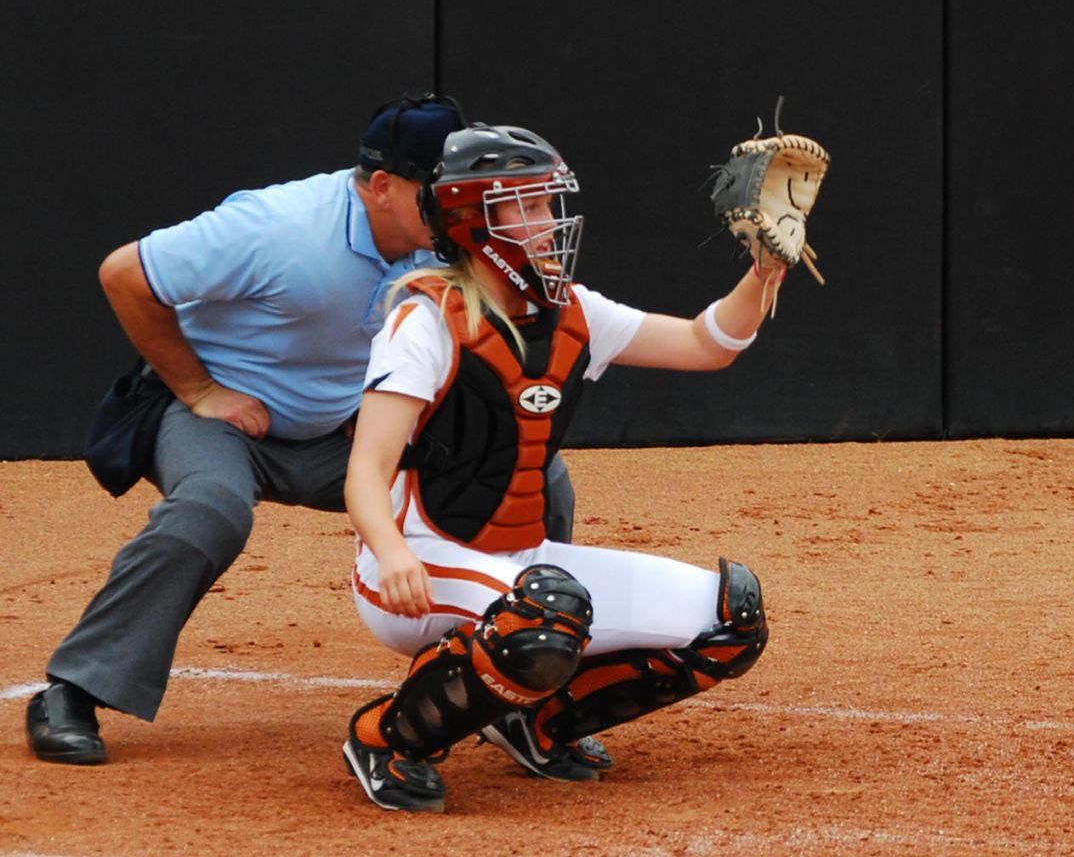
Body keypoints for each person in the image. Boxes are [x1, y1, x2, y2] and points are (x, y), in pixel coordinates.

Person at [26, 95, 580, 766]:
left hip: (342, 434)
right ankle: (74, 690)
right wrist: (201, 389)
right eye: (438, 189)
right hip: (223, 420)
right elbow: (124, 274)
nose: (456, 203)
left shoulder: (451, 245)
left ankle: (516, 679)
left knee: (533, 473)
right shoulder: (280, 228)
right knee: (210, 509)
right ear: (383, 186)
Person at [339, 123, 775, 813]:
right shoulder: (426, 322)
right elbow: (366, 470)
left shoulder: (572, 311)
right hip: (417, 562)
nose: (550, 221)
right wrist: (390, 551)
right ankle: (386, 739)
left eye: (549, 203)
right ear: (475, 219)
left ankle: (537, 722)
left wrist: (763, 272)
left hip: (521, 562)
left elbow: (705, 343)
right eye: (530, 205)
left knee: (731, 619)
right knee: (546, 615)